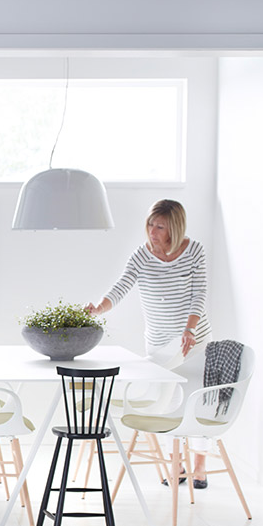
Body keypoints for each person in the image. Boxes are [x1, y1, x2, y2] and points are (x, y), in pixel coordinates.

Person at [85, 199, 212, 487]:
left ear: (174, 228)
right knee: (165, 402)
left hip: (194, 340)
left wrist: (189, 330)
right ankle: (177, 466)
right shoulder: (142, 256)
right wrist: (99, 309)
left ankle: (200, 467)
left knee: (197, 399)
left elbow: (199, 294)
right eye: (150, 225)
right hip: (159, 343)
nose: (152, 231)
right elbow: (122, 286)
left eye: (160, 226)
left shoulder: (194, 252)